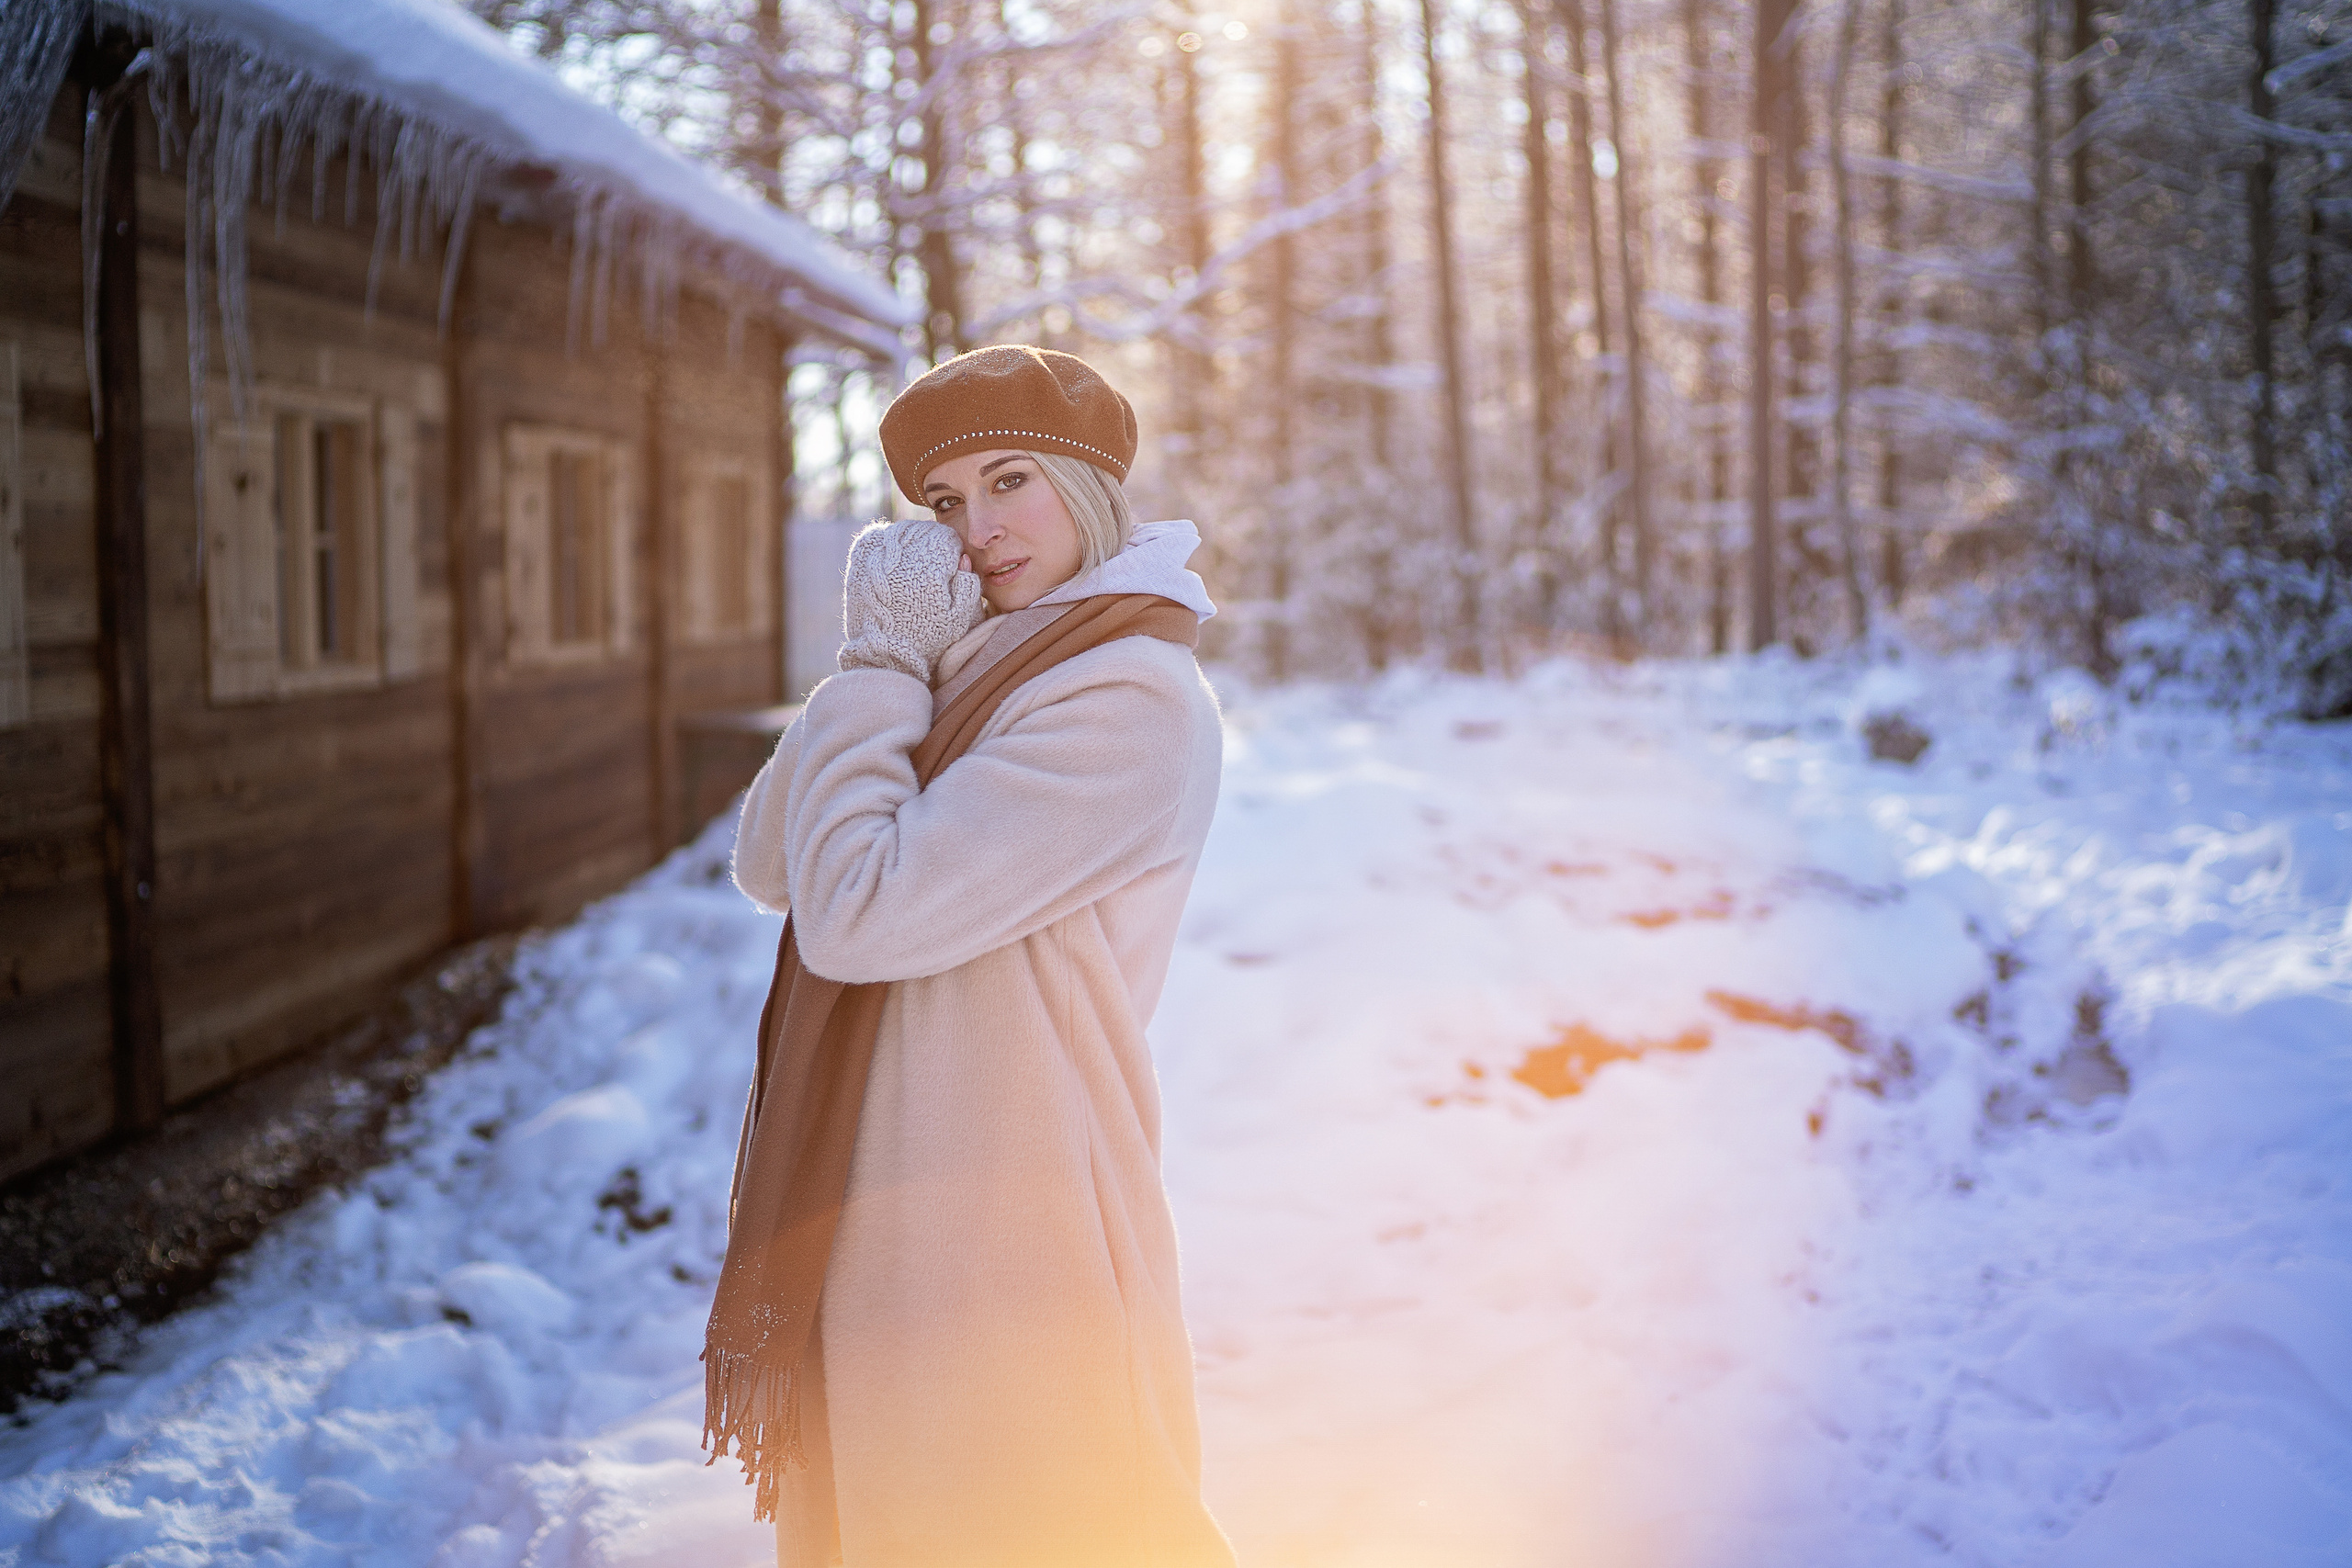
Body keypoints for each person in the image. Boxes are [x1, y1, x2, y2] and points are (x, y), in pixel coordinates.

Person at [706, 345, 1237, 1568]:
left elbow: (857, 911)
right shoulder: (974, 668)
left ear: (1089, 484)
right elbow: (775, 862)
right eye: (945, 504)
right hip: (887, 1190)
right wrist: (877, 666)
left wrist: (892, 671)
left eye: (1012, 481)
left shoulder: (1127, 699)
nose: (979, 528)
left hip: (1011, 1207)